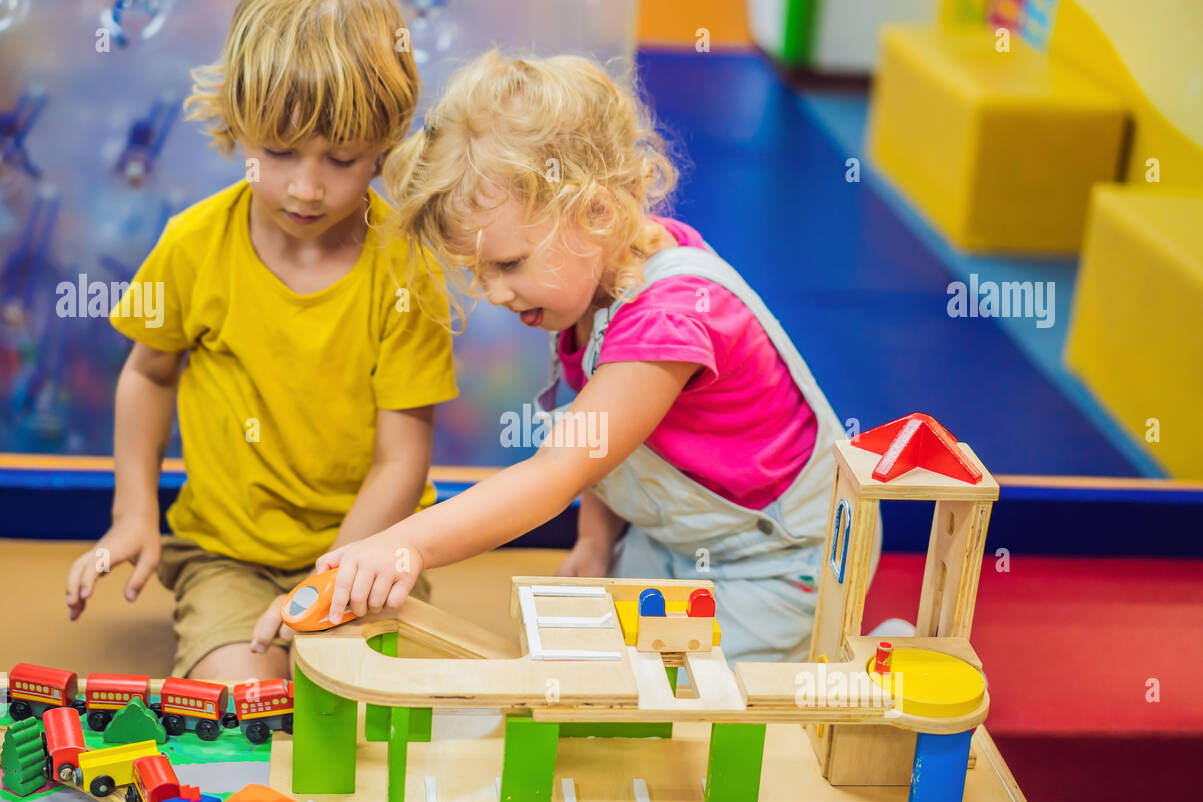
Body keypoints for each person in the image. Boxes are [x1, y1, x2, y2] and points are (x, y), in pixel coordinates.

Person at [304, 51, 881, 664]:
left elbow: (558, 470)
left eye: (508, 264)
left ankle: (845, 654)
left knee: (637, 699)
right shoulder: (592, 281)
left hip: (778, 568)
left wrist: (404, 546)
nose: (495, 293)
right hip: (678, 543)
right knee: (577, 660)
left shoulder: (666, 322)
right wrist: (594, 541)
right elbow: (618, 446)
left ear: (596, 213)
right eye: (478, 271)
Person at [65, 0, 457, 680]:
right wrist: (135, 513)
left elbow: (403, 460)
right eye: (277, 152)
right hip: (228, 555)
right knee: (242, 697)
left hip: (366, 553)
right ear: (238, 127)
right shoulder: (193, 245)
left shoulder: (406, 266)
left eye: (340, 159)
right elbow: (149, 374)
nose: (306, 187)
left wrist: (331, 577)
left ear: (384, 147)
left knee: (371, 708)